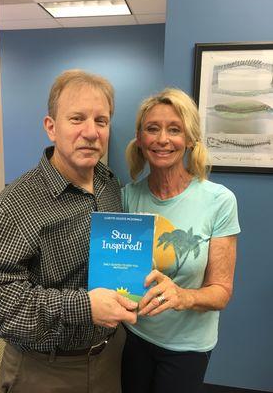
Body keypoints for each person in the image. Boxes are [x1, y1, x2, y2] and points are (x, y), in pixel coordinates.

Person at [0, 69, 138, 393]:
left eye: (101, 121)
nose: (91, 132)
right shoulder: (15, 205)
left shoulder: (110, 185)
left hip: (111, 357)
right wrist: (83, 307)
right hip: (45, 369)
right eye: (77, 119)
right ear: (51, 127)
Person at [121, 87, 240, 393]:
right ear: (140, 138)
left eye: (174, 130)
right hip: (133, 338)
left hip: (187, 348)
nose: (162, 139)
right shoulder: (126, 197)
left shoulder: (219, 200)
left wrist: (183, 296)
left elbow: (221, 293)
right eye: (152, 129)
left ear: (189, 140)